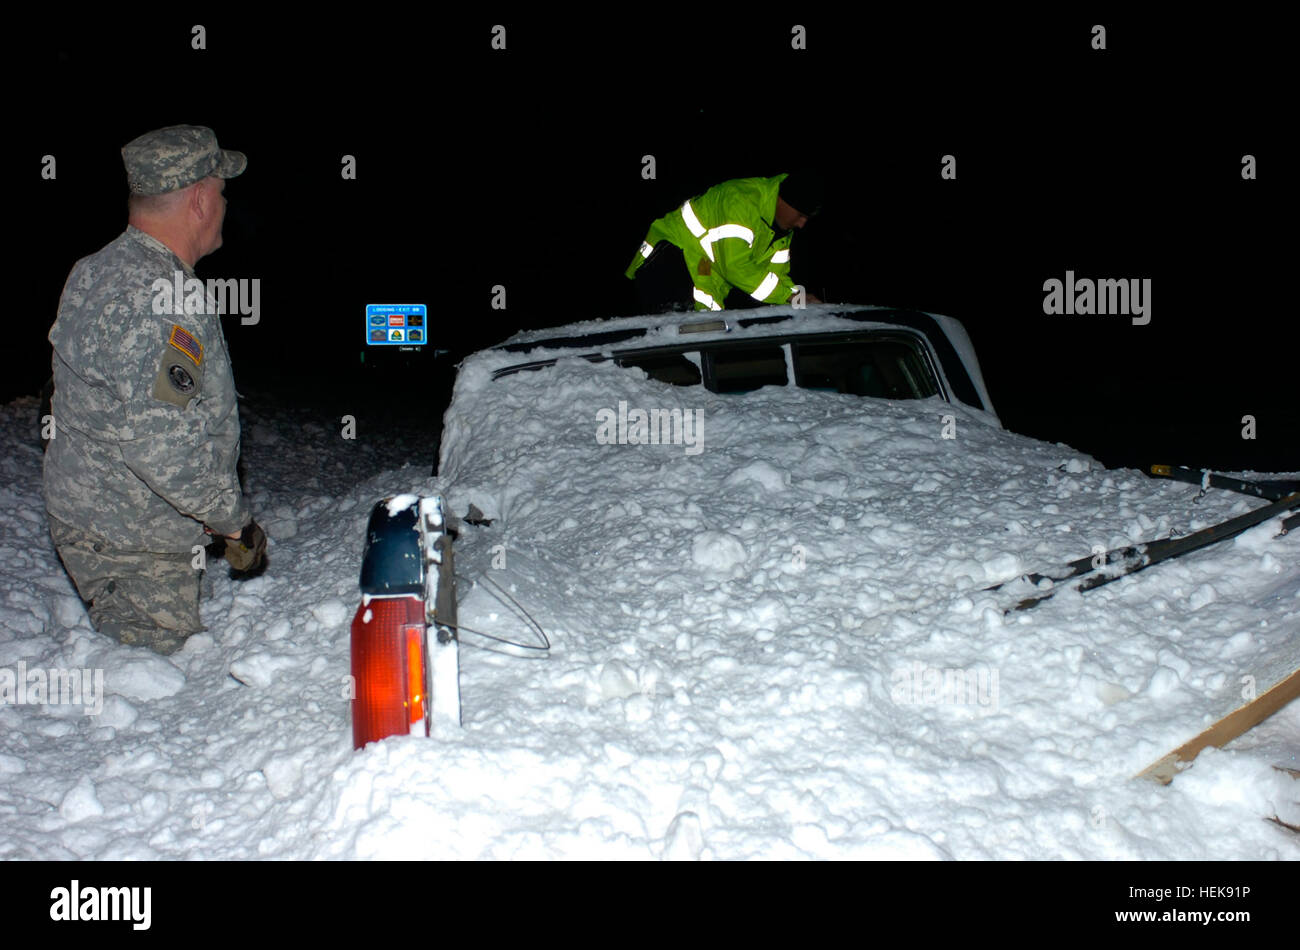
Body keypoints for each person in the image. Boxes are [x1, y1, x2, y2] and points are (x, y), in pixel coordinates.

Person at [43, 125, 266, 655]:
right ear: (198, 199)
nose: (224, 204)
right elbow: (161, 442)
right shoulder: (163, 296)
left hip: (93, 516)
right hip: (131, 538)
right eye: (221, 191)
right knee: (149, 691)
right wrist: (232, 522)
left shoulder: (96, 268)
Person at [625, 172, 824, 313]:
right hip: (670, 261)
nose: (802, 224)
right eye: (800, 215)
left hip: (702, 276)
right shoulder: (741, 201)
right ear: (783, 201)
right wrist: (792, 297)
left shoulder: (781, 232)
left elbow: (776, 277)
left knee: (703, 338)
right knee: (676, 333)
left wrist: (800, 297)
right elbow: (735, 266)